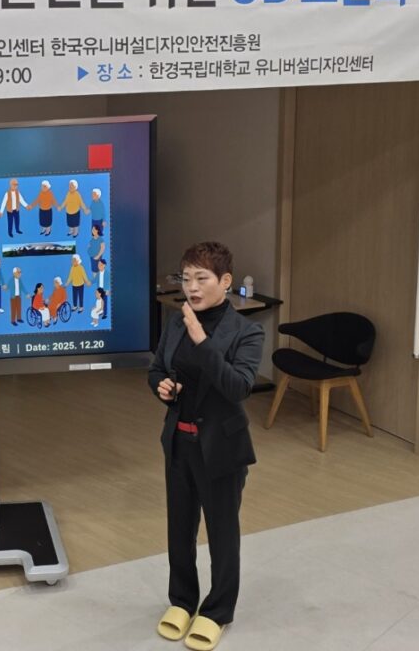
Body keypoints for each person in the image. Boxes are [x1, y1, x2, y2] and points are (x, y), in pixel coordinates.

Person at [148, 242, 264, 651]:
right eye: (186, 278)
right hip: (179, 441)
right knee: (179, 530)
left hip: (221, 449)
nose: (192, 288)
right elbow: (157, 369)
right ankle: (182, 601)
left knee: (222, 533)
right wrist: (162, 386)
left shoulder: (247, 331)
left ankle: (217, 611)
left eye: (202, 278)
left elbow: (238, 387)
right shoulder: (176, 323)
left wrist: (202, 341)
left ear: (225, 281)